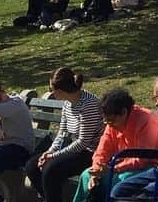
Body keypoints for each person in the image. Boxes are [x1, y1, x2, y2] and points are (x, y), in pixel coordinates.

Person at [72, 87, 158, 202]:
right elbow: (102, 150)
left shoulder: (146, 121)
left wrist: (114, 169)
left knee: (116, 181)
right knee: (86, 176)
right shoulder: (112, 123)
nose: (108, 124)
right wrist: (96, 171)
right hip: (121, 165)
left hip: (150, 168)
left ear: (124, 112)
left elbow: (142, 159)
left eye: (111, 120)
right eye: (106, 120)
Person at [28, 67, 104, 202]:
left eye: (51, 88)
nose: (50, 91)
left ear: (59, 91)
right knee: (32, 166)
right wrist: (49, 152)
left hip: (89, 152)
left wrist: (54, 156)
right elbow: (62, 133)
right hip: (72, 147)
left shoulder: (89, 104)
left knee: (50, 170)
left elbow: (83, 142)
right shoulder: (67, 104)